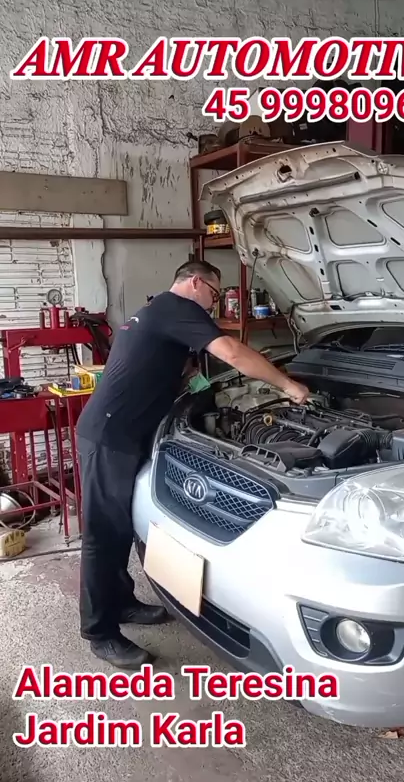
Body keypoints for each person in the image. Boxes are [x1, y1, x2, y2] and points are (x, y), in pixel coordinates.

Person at [76, 260, 310, 669]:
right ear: (196, 283)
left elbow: (169, 365)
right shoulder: (177, 307)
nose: (213, 304)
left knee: (122, 526)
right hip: (109, 437)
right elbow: (232, 352)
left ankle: (123, 602)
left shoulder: (158, 310)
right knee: (103, 534)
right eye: (214, 295)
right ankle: (100, 632)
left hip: (127, 434)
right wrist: (288, 385)